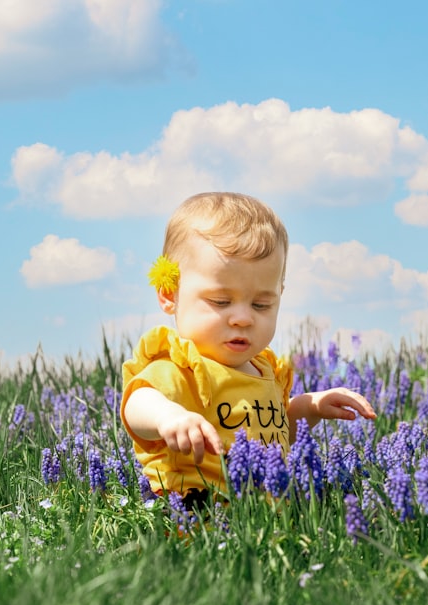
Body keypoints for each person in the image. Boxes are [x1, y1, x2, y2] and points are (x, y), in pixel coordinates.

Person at [120, 192, 375, 504]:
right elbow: (137, 402)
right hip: (199, 516)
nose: (242, 318)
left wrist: (309, 407)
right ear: (170, 294)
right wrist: (168, 416)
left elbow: (272, 431)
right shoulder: (182, 367)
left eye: (261, 304)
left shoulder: (264, 369)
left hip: (265, 517)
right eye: (221, 302)